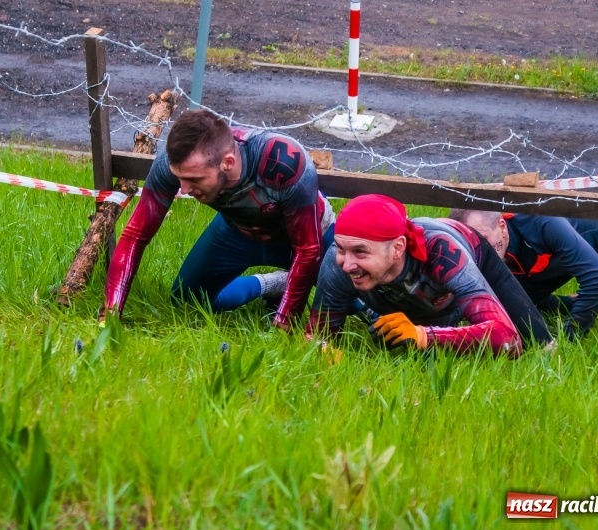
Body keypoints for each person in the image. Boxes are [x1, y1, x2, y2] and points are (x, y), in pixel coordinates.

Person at [101, 109, 335, 330]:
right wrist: (109, 315)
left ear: (228, 163)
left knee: (346, 302)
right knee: (188, 300)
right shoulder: (175, 163)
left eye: (194, 179)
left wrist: (285, 321)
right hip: (237, 230)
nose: (183, 189)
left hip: (305, 235)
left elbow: (307, 250)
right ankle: (273, 284)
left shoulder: (282, 161)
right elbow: (135, 235)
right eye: (179, 178)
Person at [306, 194, 523, 356]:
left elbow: (507, 339)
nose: (347, 264)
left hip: (465, 275)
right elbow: (316, 338)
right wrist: (329, 357)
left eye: (361, 251)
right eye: (342, 249)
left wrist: (423, 336)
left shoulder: (443, 253)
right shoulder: (337, 261)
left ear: (398, 248)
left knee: (540, 343)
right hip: (399, 304)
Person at [448, 209, 598, 340]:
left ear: (502, 226)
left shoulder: (541, 222)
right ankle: (573, 304)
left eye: (484, 240)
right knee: (511, 306)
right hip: (552, 263)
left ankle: (591, 302)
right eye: (469, 243)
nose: (478, 251)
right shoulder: (483, 247)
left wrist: (565, 341)